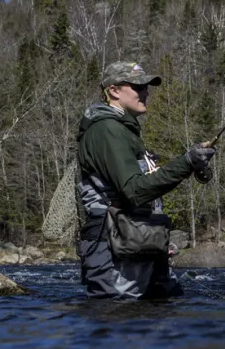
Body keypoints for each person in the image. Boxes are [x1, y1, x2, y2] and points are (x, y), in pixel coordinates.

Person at [74, 61, 216, 299]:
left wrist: (192, 164)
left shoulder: (124, 130)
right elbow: (134, 191)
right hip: (114, 245)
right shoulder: (106, 130)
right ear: (114, 91)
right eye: (138, 87)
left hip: (138, 242)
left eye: (146, 87)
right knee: (119, 319)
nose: (145, 92)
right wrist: (186, 162)